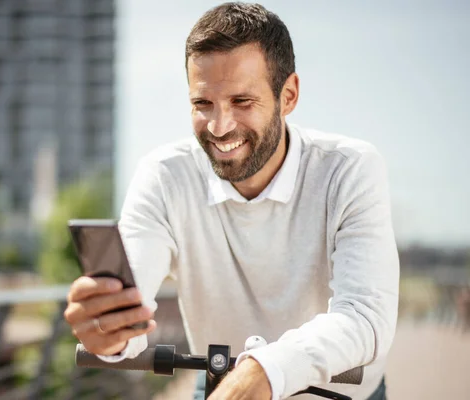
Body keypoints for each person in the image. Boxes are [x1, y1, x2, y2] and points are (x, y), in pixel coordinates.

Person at [64, 2, 399, 399]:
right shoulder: (164, 176)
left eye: (242, 102)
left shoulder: (349, 169)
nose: (220, 127)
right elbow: (133, 296)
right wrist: (110, 330)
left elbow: (365, 316)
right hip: (221, 385)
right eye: (202, 104)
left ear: (288, 95)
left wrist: (267, 369)